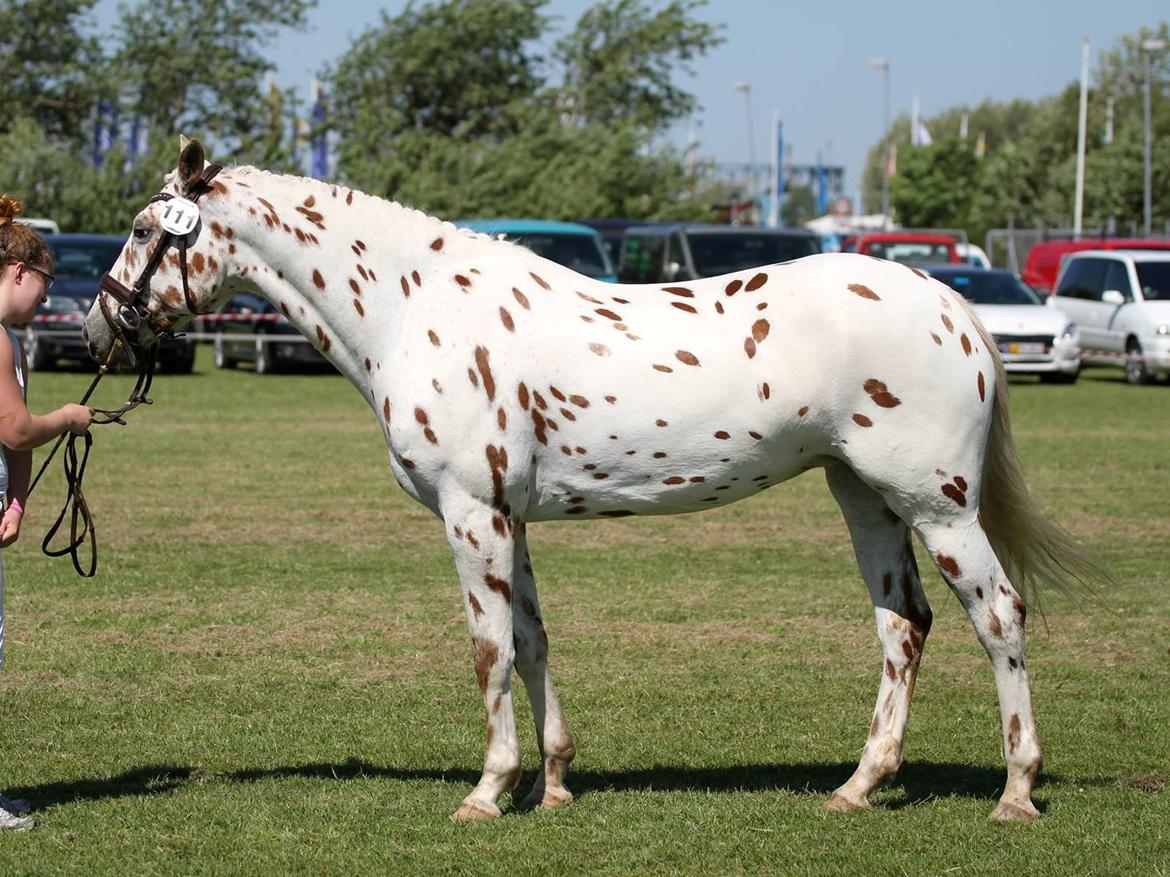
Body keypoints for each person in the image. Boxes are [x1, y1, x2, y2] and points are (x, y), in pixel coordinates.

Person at [0, 195, 92, 830]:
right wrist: (69, 419)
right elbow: (17, 427)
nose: (45, 296)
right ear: (16, 272)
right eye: (45, 283)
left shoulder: (10, 342)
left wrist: (19, 498)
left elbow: (11, 441)